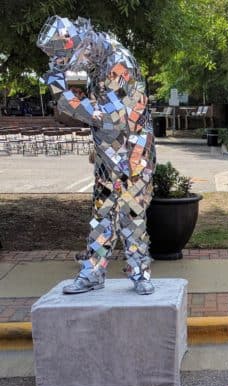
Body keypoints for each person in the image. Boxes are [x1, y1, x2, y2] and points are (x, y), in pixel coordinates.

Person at [38, 16, 156, 295]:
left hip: (134, 148)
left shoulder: (119, 60)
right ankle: (93, 271)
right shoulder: (88, 57)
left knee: (132, 211)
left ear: (84, 45)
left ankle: (139, 271)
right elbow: (61, 87)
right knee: (102, 211)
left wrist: (79, 106)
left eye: (69, 58)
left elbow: (112, 116)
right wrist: (62, 84)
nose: (68, 66)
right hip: (107, 148)